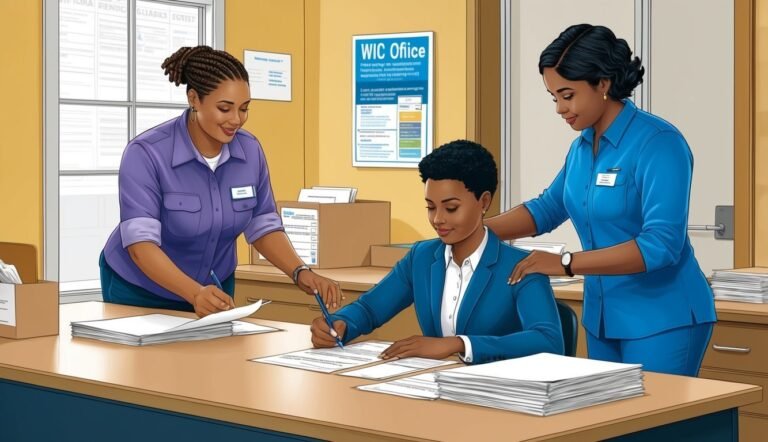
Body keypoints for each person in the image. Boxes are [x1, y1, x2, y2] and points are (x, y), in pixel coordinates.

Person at [485, 24, 716, 376]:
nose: (560, 108)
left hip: (662, 317)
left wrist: (564, 263)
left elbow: (660, 245)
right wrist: (476, 231)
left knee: (652, 429)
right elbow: (547, 209)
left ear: (603, 84)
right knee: (606, 425)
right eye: (554, 98)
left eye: (568, 95)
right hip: (603, 318)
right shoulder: (581, 148)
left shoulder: (659, 143)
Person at [100, 45, 342, 317]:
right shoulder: (146, 153)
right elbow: (140, 246)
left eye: (244, 109)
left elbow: (262, 225)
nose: (236, 120)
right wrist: (193, 293)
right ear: (194, 99)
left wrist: (300, 272)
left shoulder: (250, 151)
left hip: (214, 287)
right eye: (225, 108)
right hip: (142, 289)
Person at [310, 140, 564, 363]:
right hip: (435, 387)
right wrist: (341, 323)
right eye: (430, 207)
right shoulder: (421, 257)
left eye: (451, 208)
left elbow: (548, 340)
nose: (438, 219)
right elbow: (370, 309)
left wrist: (459, 344)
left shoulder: (522, 268)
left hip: (500, 395)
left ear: (484, 202)